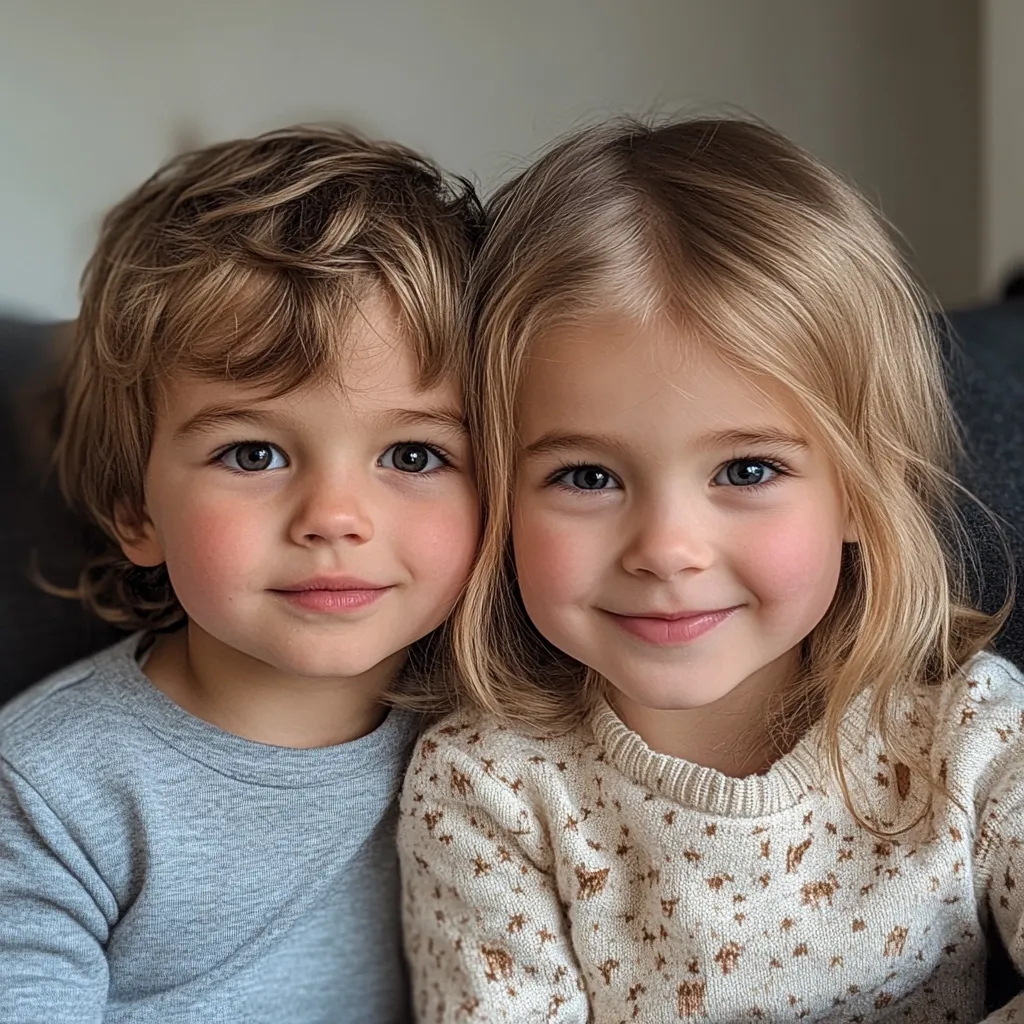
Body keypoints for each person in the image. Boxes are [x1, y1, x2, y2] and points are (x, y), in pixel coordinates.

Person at [399, 117, 1023, 1022]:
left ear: (858, 489)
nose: (665, 547)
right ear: (497, 495)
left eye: (747, 471)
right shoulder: (488, 787)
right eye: (587, 476)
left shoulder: (967, 737)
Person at [0, 125, 481, 1022]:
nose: (335, 517)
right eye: (253, 453)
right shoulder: (51, 790)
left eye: (413, 455)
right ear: (134, 510)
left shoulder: (502, 730)